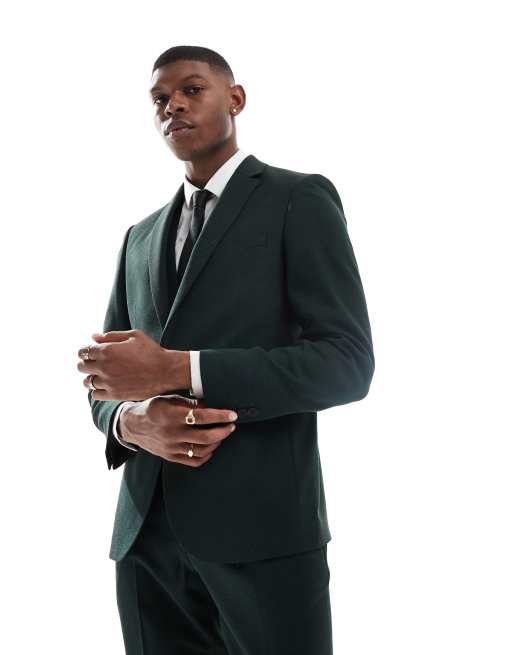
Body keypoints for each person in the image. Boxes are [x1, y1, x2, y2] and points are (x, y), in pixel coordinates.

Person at [77, 44, 374, 655]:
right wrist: (132, 422)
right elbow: (106, 384)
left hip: (263, 534)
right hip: (145, 538)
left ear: (235, 99)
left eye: (191, 89)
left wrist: (180, 370)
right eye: (159, 99)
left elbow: (346, 363)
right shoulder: (139, 237)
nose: (173, 106)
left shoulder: (298, 199)